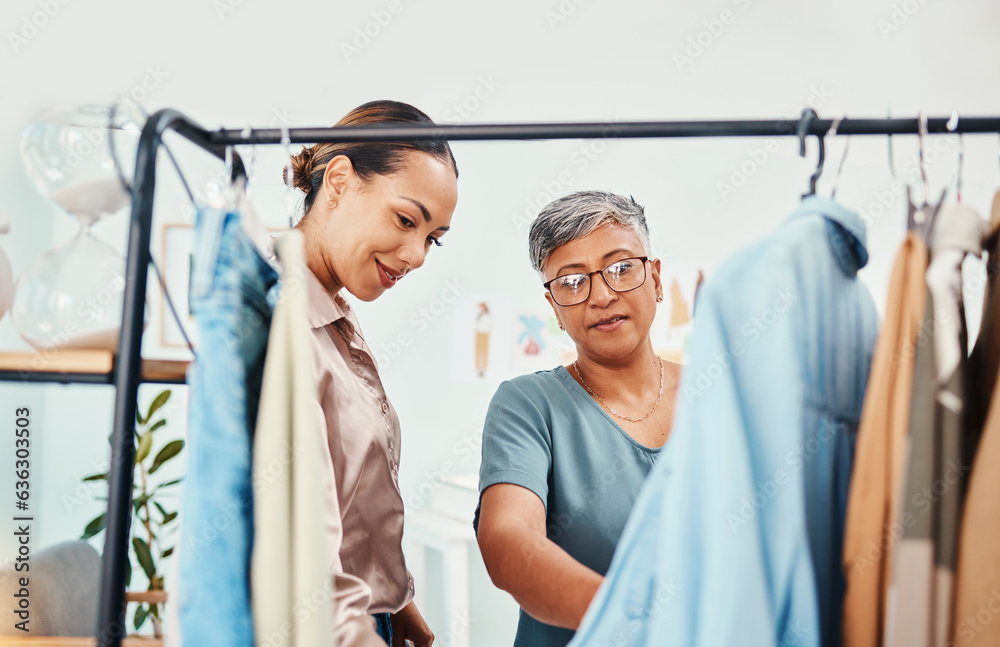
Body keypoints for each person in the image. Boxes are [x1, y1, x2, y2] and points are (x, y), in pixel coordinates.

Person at [474, 190, 682, 646]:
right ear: (554, 309)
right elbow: (507, 541)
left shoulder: (717, 398)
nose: (602, 295)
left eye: (622, 268)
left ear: (657, 278)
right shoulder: (529, 404)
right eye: (571, 282)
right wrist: (639, 624)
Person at [290, 100, 459, 647]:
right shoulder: (282, 323)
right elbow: (301, 560)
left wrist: (397, 598)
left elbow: (352, 495)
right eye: (407, 220)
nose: (417, 255)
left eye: (432, 237)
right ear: (338, 180)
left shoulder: (335, 314)